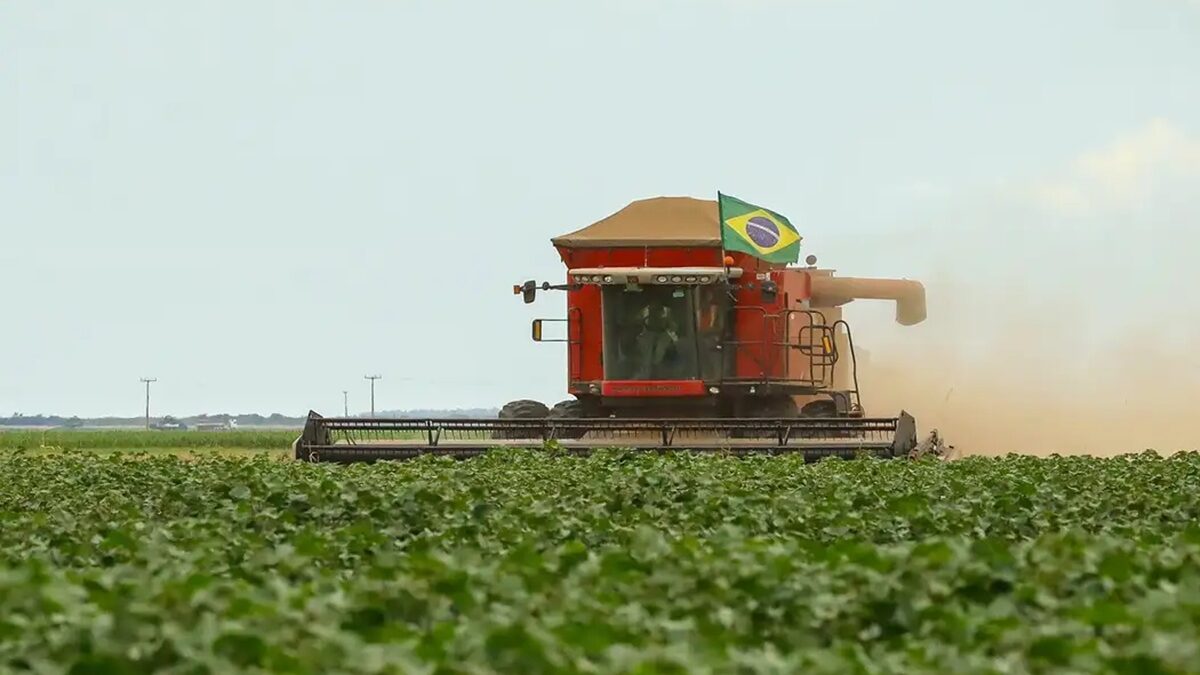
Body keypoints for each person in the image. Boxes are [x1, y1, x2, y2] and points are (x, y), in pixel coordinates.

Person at [633, 298, 680, 378]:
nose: (655, 305)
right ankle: (644, 376)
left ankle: (660, 374)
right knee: (646, 358)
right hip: (648, 333)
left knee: (659, 355)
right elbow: (636, 321)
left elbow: (673, 326)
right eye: (653, 303)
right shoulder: (645, 310)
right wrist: (645, 317)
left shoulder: (667, 311)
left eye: (657, 303)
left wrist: (672, 333)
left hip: (662, 334)